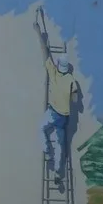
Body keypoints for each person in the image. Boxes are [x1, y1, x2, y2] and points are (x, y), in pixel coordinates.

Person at [34, 10, 79, 190]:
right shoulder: (71, 80)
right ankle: (58, 171)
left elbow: (45, 53)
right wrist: (70, 98)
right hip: (64, 118)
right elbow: (75, 99)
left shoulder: (53, 73)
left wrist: (39, 32)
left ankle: (47, 152)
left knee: (41, 129)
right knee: (61, 146)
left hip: (53, 112)